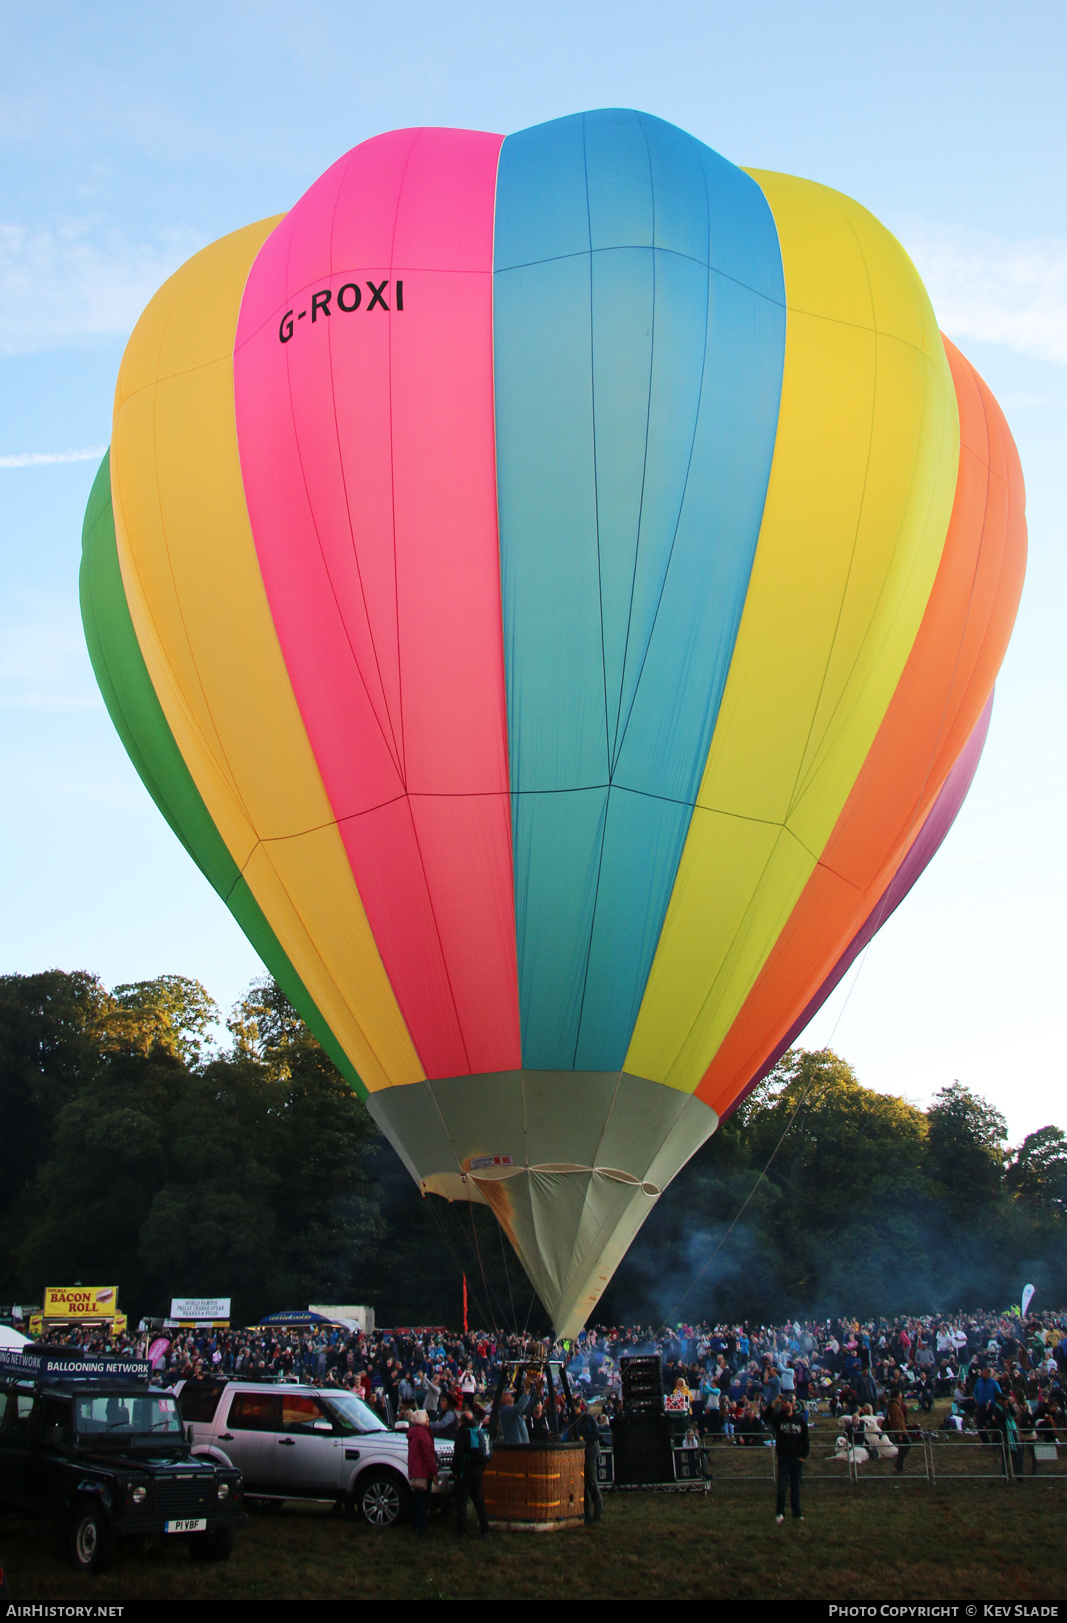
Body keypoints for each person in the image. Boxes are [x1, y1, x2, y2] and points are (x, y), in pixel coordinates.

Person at [767, 1396, 809, 1523]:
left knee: (795, 1488)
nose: (783, 1405)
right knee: (782, 1487)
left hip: (797, 1459)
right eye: (783, 1403)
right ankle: (780, 1513)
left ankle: (797, 1513)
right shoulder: (779, 1418)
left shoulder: (799, 1420)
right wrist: (775, 1402)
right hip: (784, 1458)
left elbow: (805, 1440)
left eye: (785, 1403)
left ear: (792, 1404)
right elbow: (766, 1415)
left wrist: (803, 1456)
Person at [452, 1408, 491, 1538]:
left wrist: (455, 1471)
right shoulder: (480, 1432)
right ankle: (485, 1530)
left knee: (462, 1503)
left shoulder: (462, 1434)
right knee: (479, 1502)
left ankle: (461, 1531)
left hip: (464, 1472)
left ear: (462, 1422)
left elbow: (457, 1455)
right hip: (478, 1471)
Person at [569, 1402, 603, 1525]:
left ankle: (598, 1514)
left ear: (578, 1407)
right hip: (580, 1455)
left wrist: (582, 1438)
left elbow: (595, 1435)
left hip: (590, 1454)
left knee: (592, 1483)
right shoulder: (573, 1422)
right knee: (583, 1487)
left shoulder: (588, 1418)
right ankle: (586, 1514)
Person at [406, 1409, 436, 1535]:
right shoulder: (424, 1434)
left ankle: (415, 1525)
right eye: (427, 1417)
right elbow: (428, 1455)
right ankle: (421, 1529)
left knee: (417, 1501)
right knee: (424, 1502)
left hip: (416, 1471)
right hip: (423, 1472)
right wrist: (434, 1471)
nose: (429, 1419)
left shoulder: (413, 1434)